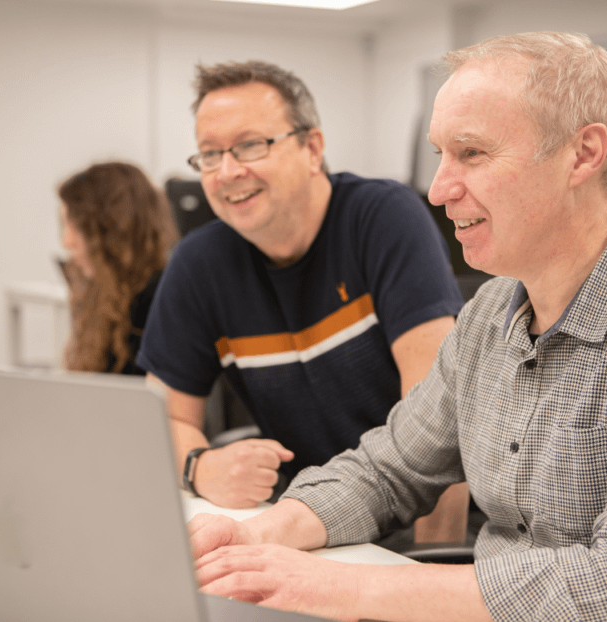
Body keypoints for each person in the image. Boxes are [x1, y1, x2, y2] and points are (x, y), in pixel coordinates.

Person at [188, 32, 607, 622]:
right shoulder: (490, 314)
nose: (439, 190)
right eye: (440, 155)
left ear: (583, 155)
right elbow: (387, 470)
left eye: (473, 154)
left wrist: (350, 588)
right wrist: (260, 536)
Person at [137, 60, 469, 543]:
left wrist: (428, 571)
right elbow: (160, 417)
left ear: (312, 148)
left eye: (250, 145)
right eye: (209, 154)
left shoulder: (383, 219)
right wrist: (200, 467)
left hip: (417, 526)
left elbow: (440, 429)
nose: (228, 171)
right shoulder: (198, 264)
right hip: (311, 521)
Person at [58, 161, 177, 375]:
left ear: (111, 230)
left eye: (76, 226)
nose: (67, 241)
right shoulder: (106, 294)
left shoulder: (161, 300)